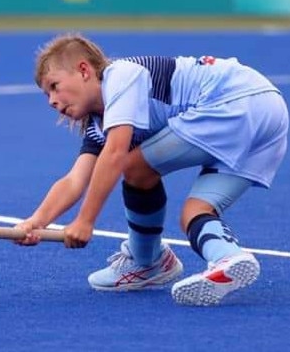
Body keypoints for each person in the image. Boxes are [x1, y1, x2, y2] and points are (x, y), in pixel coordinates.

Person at [15, 33, 289, 306]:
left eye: (54, 86)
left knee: (135, 166)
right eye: (46, 94)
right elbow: (75, 179)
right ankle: (228, 257)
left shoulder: (121, 75)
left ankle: (148, 261)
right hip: (271, 117)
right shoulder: (99, 127)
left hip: (234, 100)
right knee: (195, 212)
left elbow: (116, 154)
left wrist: (85, 221)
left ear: (84, 70)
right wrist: (35, 223)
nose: (51, 100)